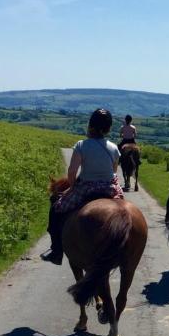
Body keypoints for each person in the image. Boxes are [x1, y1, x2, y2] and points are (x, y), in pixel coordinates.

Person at [41, 108, 124, 265]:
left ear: (90, 126)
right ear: (108, 128)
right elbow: (113, 172)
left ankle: (57, 251)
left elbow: (72, 171)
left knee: (57, 208)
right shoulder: (114, 148)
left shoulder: (81, 145)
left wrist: (72, 187)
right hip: (109, 188)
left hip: (86, 187)